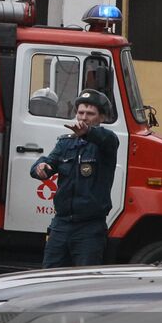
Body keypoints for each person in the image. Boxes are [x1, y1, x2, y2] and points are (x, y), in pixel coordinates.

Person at [30, 89, 120, 268]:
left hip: (89, 228)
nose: (84, 117)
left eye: (90, 113)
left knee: (83, 283)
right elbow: (48, 162)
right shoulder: (66, 143)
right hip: (61, 225)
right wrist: (40, 167)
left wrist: (88, 132)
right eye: (80, 112)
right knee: (47, 277)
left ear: (101, 118)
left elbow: (108, 139)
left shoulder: (105, 143)